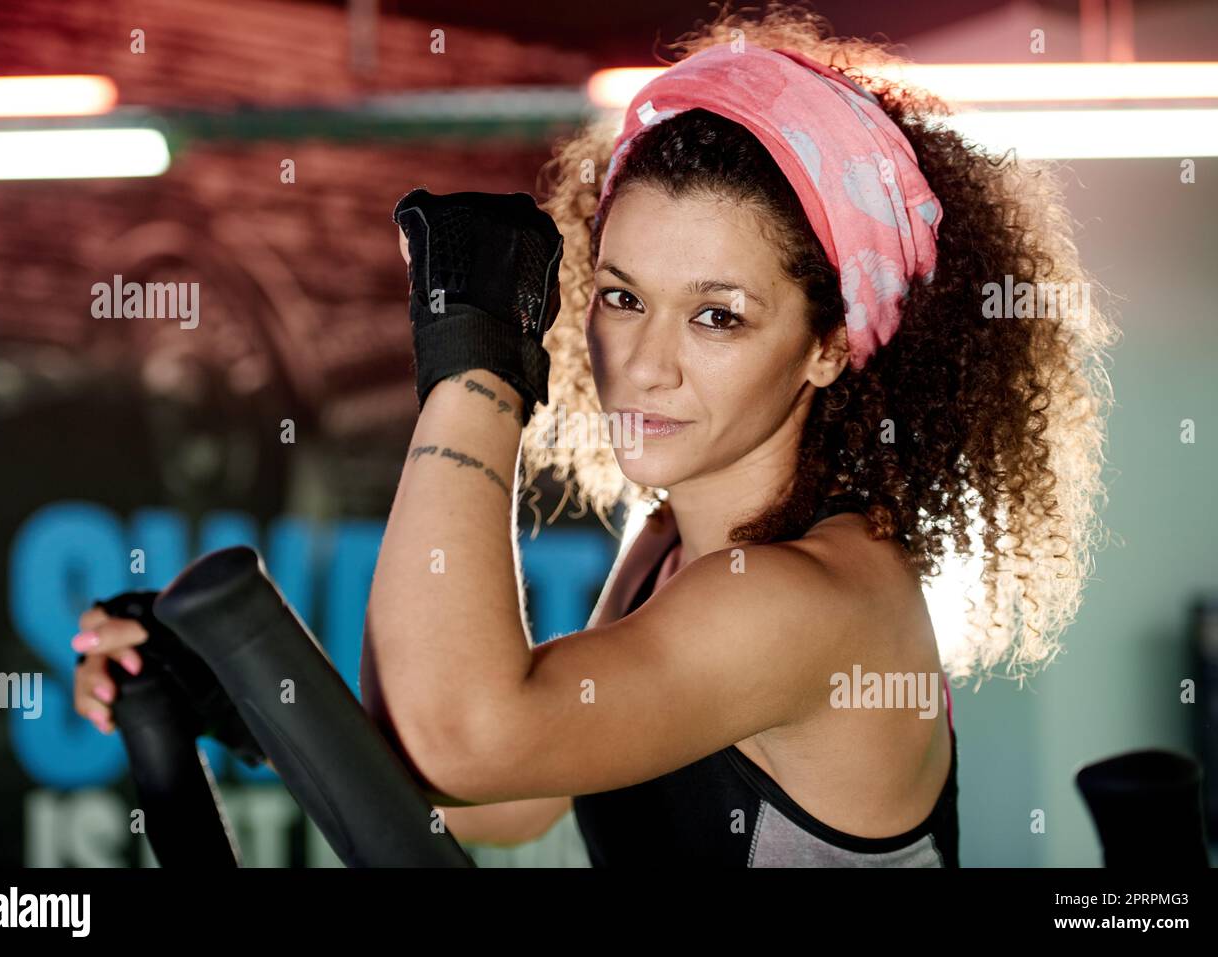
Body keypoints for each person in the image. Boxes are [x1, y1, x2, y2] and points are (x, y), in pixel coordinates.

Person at [74, 4, 1116, 866]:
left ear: (829, 346)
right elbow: (496, 800)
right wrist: (247, 700)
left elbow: (471, 741)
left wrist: (474, 370)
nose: (646, 362)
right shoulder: (671, 547)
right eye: (622, 298)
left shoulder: (810, 598)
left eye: (718, 316)